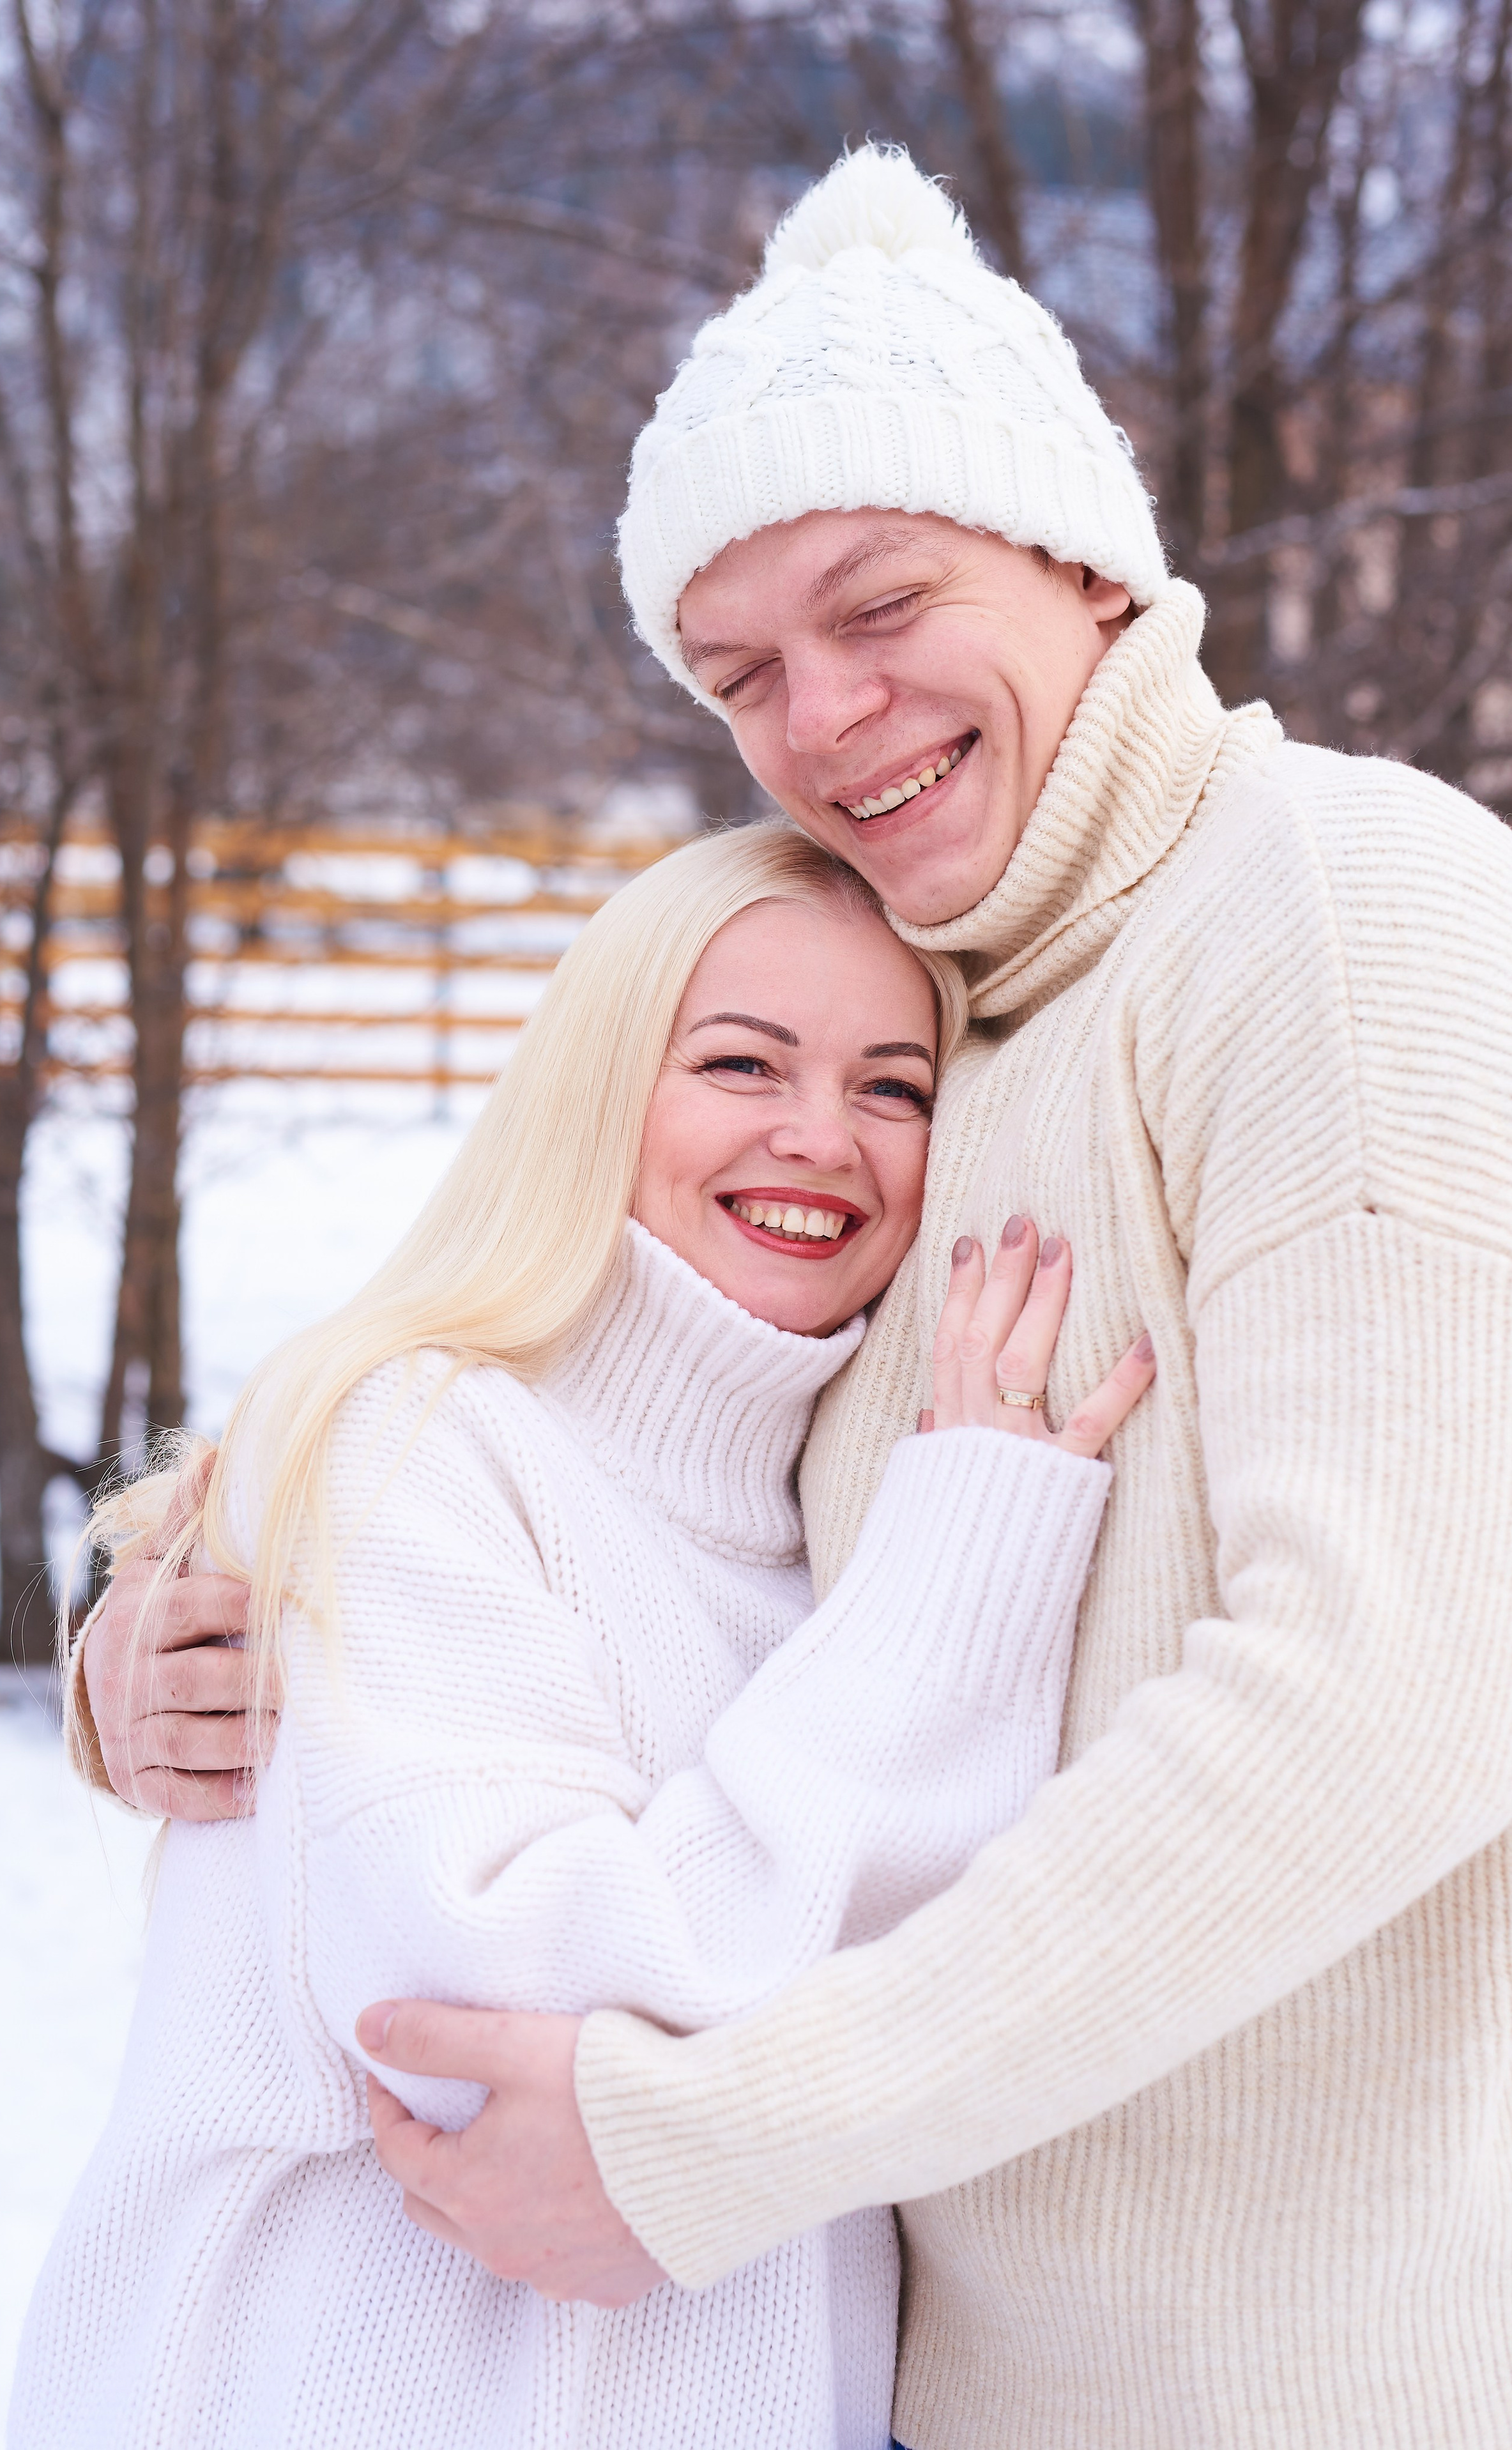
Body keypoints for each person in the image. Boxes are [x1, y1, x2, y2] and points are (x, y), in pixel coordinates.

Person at [78, 147, 1512, 2447]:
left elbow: (1400, 1691)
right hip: (929, 2381)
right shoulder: (961, 1007)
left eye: (883, 602)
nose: (825, 713)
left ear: (1083, 560)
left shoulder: (1338, 902)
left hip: (1282, 2388)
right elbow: (644, 1496)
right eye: (740, 671)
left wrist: (722, 2136)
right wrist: (207, 1618)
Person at [21, 823, 1151, 2449]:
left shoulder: (847, 1520)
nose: (819, 1136)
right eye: (741, 1062)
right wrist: (960, 1572)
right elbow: (496, 2013)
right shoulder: (412, 1437)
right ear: (599, 1085)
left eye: (892, 1087)